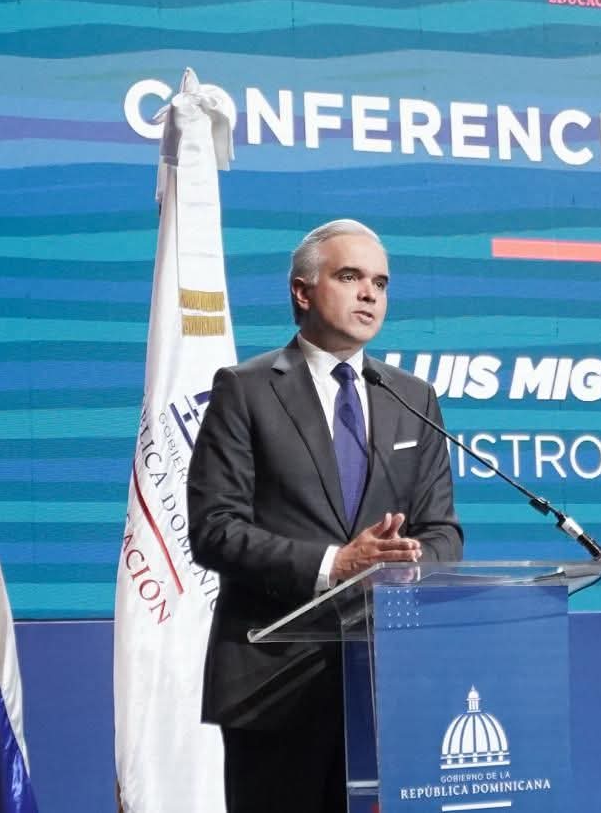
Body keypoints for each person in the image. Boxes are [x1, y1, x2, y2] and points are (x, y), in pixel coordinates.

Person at [187, 218, 463, 813]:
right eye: (350, 277)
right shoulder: (246, 389)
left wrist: (407, 562)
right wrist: (336, 564)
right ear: (303, 291)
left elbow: (442, 530)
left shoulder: (412, 397)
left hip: (386, 681)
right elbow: (214, 530)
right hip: (275, 681)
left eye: (380, 283)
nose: (370, 294)